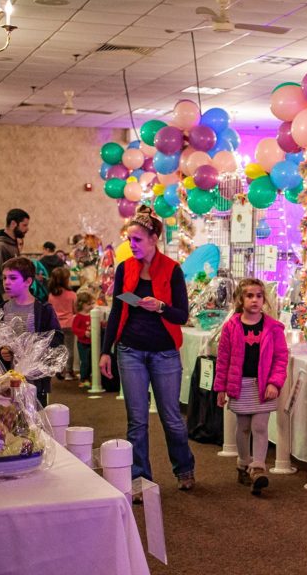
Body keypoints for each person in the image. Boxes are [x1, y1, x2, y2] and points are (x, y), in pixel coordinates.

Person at [100, 205, 195, 491]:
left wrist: (162, 306)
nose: (132, 245)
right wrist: (107, 350)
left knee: (171, 418)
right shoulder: (124, 268)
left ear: (154, 239)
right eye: (129, 240)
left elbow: (182, 315)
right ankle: (141, 478)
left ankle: (184, 468)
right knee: (137, 421)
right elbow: (117, 310)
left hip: (164, 352)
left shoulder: (172, 270)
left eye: (137, 240)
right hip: (130, 351)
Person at [214, 278, 288, 496]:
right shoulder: (231, 327)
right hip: (240, 385)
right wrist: (221, 388)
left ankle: (257, 468)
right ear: (240, 299)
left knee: (260, 427)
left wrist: (275, 382)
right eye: (249, 296)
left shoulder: (273, 328)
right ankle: (243, 463)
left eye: (258, 296)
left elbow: (281, 358)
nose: (255, 300)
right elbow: (223, 359)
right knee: (244, 427)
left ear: (264, 299)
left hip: (263, 386)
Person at [0, 257, 63, 406]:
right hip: (8, 378)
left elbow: (57, 338)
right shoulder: (2, 309)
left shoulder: (43, 310)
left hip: (36, 380)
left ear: (28, 281)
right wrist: (1, 351)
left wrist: (37, 347)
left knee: (36, 420)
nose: (6, 282)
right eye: (4, 278)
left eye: (13, 278)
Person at [0, 209, 29, 310]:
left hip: (10, 296)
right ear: (14, 223)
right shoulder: (0, 246)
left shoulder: (12, 243)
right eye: (24, 225)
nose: (27, 229)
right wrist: (8, 300)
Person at [48, 267, 78, 381]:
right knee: (69, 349)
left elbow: (51, 310)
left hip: (56, 325)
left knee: (58, 349)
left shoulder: (51, 295)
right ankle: (69, 371)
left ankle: (59, 369)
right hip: (69, 324)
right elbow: (75, 310)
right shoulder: (72, 294)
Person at [71, 291, 95, 388]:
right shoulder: (79, 317)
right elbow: (74, 328)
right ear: (82, 304)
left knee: (91, 361)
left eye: (92, 303)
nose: (91, 306)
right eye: (89, 304)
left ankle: (88, 378)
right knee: (85, 361)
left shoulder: (92, 315)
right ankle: (83, 379)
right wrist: (84, 333)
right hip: (83, 343)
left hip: (92, 343)